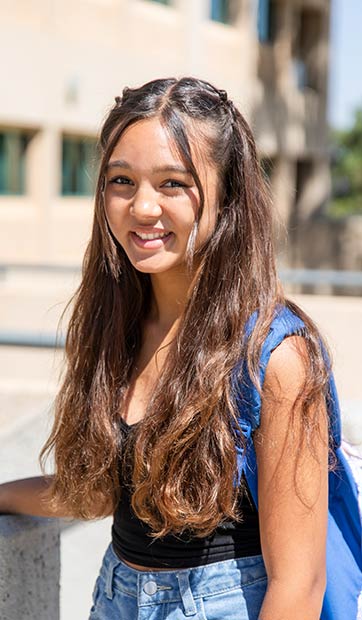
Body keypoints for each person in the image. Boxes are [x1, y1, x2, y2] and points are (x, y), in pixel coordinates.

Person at [0, 77, 331, 620]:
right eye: (122, 181)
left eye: (173, 184)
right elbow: (104, 495)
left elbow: (300, 583)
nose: (142, 207)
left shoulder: (276, 356)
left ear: (227, 195)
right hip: (115, 598)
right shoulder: (116, 325)